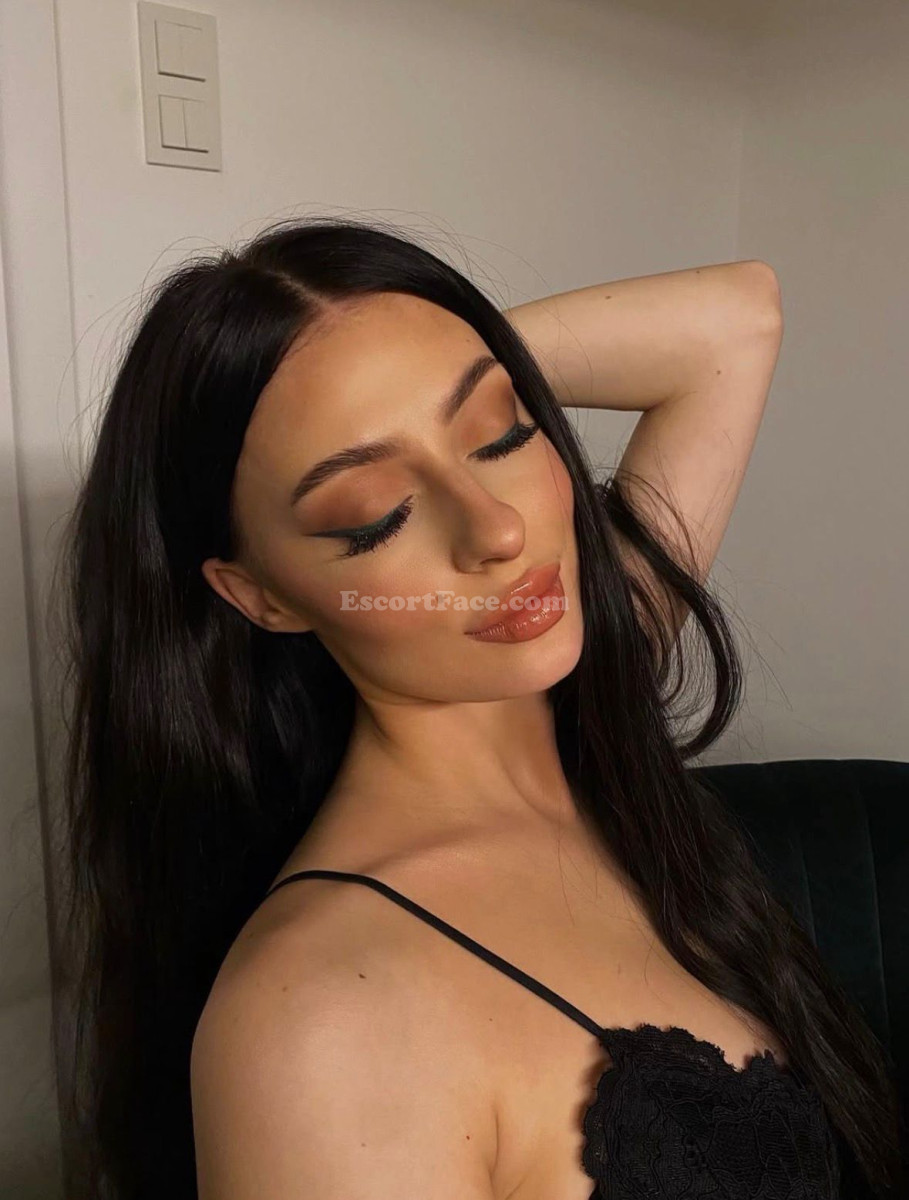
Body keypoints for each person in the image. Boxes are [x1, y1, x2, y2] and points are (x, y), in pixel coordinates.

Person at [54, 216, 902, 1200]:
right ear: (261, 596)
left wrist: (389, 352)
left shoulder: (588, 696)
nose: (498, 530)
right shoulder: (321, 1027)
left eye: (502, 430)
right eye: (375, 516)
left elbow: (736, 318)